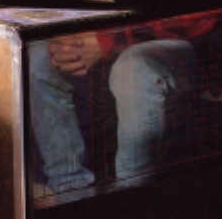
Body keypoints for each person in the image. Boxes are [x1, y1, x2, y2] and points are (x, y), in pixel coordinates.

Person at [29, 22, 208, 196]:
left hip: (187, 40)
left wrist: (105, 39)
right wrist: (69, 38)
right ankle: (69, 188)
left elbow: (189, 21)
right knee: (39, 59)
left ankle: (130, 190)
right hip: (111, 34)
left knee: (133, 67)